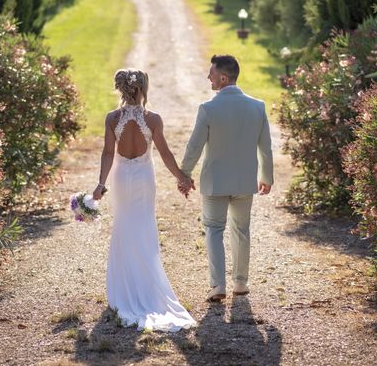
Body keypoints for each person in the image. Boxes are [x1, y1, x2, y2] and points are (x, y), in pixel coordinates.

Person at [92, 68, 196, 332]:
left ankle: (125, 288)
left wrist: (100, 184)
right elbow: (164, 153)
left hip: (120, 177)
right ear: (142, 89)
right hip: (143, 178)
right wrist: (181, 177)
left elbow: (107, 153)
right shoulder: (153, 119)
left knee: (124, 225)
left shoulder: (112, 118)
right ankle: (146, 286)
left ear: (122, 89)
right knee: (144, 226)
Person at [178, 54, 274, 302]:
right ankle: (240, 283)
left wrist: (184, 174)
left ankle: (218, 285)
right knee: (241, 231)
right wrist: (267, 176)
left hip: (215, 183)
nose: (208, 77)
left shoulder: (208, 109)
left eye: (211, 73)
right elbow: (265, 147)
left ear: (223, 77)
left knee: (213, 230)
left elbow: (194, 147)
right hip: (244, 181)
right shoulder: (257, 106)